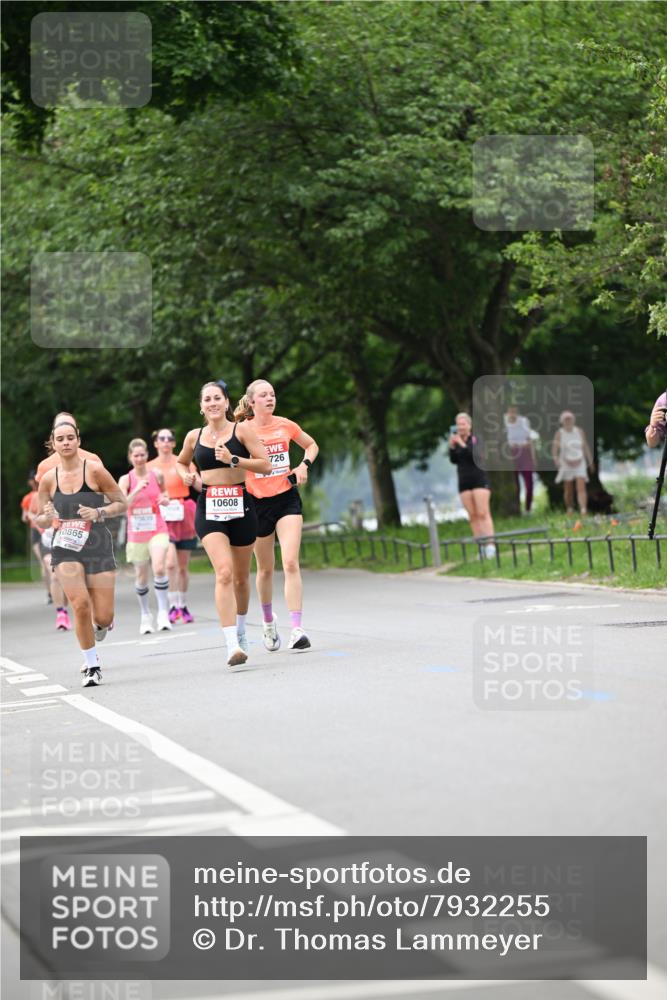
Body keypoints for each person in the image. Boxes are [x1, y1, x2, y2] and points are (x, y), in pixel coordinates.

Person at [176, 381, 271, 667]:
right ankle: (231, 644)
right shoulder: (194, 436)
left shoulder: (241, 431)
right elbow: (181, 462)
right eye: (207, 399)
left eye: (217, 398)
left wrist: (234, 460)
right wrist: (186, 475)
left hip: (241, 505)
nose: (213, 403)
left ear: (226, 402)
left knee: (241, 578)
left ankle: (240, 629)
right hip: (210, 507)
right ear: (201, 406)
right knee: (225, 573)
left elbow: (265, 464)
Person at [36, 418, 127, 687]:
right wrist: (46, 516)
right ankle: (92, 665)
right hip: (65, 544)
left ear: (78, 440)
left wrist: (99, 512)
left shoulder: (95, 470)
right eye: (60, 439)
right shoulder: (48, 479)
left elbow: (121, 502)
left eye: (70, 438)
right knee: (80, 604)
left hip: (97, 543)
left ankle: (98, 628)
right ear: (53, 444)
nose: (65, 443)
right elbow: (41, 518)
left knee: (104, 616)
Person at [235, 379, 319, 652]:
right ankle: (268, 622)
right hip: (256, 503)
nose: (270, 398)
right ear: (251, 402)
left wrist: (303, 465)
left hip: (286, 499)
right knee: (265, 569)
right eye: (263, 395)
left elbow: (311, 445)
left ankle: (297, 629)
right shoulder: (242, 431)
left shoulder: (285, 424)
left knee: (291, 562)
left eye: (272, 394)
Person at [147, 428, 201, 624]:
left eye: (169, 438)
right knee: (170, 563)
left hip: (183, 511)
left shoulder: (183, 462)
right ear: (156, 443)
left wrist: (197, 480)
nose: (166, 441)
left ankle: (182, 606)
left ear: (174, 443)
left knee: (183, 566)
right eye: (162, 438)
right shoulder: (150, 466)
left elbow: (199, 485)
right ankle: (171, 606)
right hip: (162, 515)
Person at [119, 438, 172, 634]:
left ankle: (163, 613)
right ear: (130, 457)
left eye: (142, 455)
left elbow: (166, 495)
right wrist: (137, 488)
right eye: (136, 456)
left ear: (147, 455)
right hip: (136, 533)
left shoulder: (157, 475)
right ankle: (145, 615)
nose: (140, 459)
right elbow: (122, 504)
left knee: (159, 567)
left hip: (157, 528)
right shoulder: (126, 480)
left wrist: (165, 500)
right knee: (141, 577)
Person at [448, 412, 496, 558]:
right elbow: (454, 460)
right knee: (473, 516)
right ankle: (481, 546)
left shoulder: (476, 439)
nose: (460, 427)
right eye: (458, 424)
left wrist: (462, 444)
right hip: (464, 481)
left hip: (479, 479)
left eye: (463, 424)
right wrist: (452, 447)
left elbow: (475, 455)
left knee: (482, 513)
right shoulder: (456, 441)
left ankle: (490, 545)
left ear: (469, 425)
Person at [35, 412, 101, 482]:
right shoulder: (45, 467)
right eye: (60, 426)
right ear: (54, 434)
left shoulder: (93, 460)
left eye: (70, 426)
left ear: (77, 432)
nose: (65, 428)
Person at [551, 411, 594, 516]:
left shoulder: (579, 431)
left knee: (581, 487)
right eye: (566, 420)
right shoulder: (559, 433)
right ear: (562, 422)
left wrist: (590, 461)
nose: (568, 421)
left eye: (570, 419)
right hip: (566, 462)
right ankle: (570, 508)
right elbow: (554, 448)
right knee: (568, 489)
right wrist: (556, 459)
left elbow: (585, 446)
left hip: (580, 461)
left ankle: (583, 509)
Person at [504, 405, 537, 513]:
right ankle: (516, 508)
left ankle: (528, 508)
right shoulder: (503, 423)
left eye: (514, 411)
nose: (512, 413)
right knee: (515, 485)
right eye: (510, 411)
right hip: (511, 455)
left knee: (529, 483)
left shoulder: (523, 421)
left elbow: (530, 440)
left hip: (524, 454)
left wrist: (533, 457)